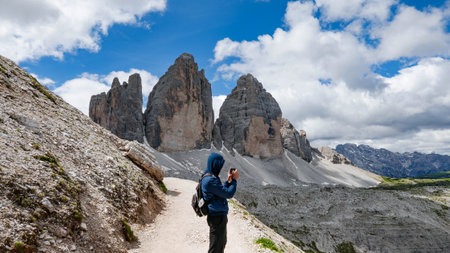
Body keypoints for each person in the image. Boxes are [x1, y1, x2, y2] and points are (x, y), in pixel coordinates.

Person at [201, 152, 239, 253]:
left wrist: (228, 181)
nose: (220, 167)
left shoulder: (210, 177)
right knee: (215, 247)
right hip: (216, 217)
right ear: (215, 164)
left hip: (217, 215)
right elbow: (228, 194)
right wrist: (234, 181)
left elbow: (220, 191)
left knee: (220, 244)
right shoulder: (210, 180)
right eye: (219, 165)